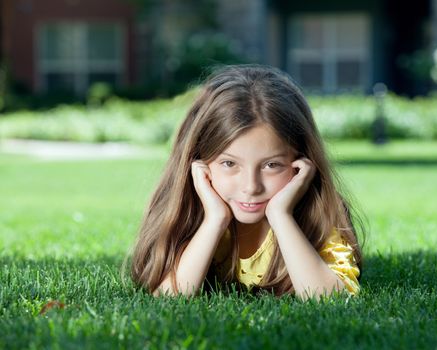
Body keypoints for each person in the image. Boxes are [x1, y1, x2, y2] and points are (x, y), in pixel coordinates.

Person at [130, 65, 364, 300]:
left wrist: (281, 216)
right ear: (198, 164)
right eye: (230, 164)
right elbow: (169, 298)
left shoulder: (318, 215)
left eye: (271, 165)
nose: (251, 187)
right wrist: (215, 220)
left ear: (302, 164)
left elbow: (332, 299)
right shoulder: (190, 214)